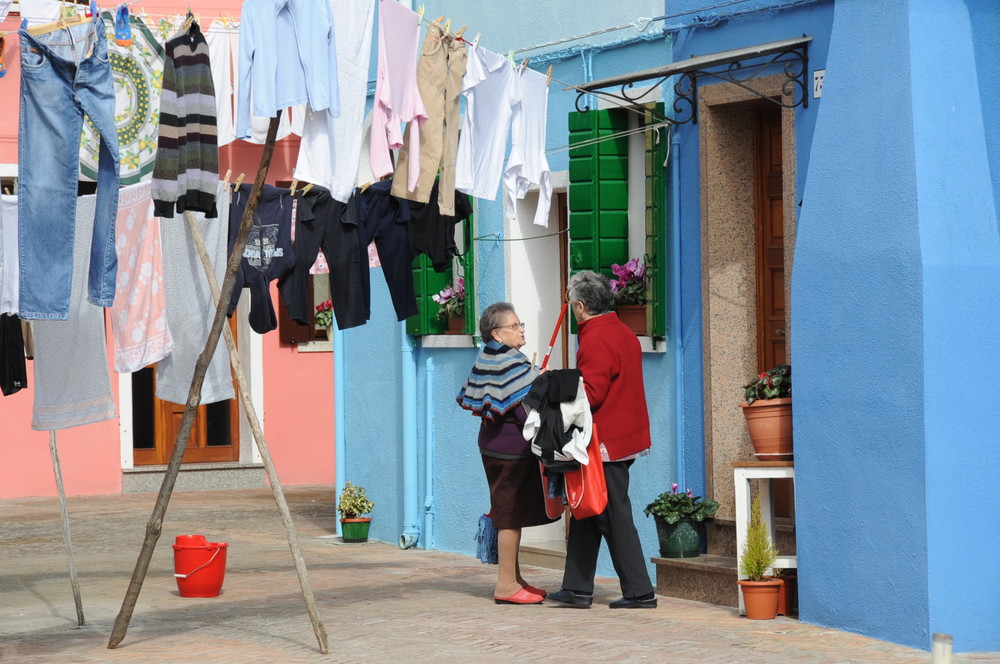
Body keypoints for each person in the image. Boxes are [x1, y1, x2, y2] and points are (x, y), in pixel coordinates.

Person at [548, 270, 657, 609]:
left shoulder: (594, 336)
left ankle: (640, 592)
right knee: (587, 509)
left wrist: (552, 390)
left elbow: (591, 394)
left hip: (606, 440)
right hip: (623, 434)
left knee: (612, 514)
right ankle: (577, 586)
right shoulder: (621, 330)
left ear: (580, 306)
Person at [457, 302, 554, 604]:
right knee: (509, 517)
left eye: (521, 323)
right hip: (510, 451)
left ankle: (515, 578)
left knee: (513, 515)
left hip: (495, 446)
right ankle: (506, 586)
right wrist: (541, 383)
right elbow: (526, 410)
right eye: (514, 326)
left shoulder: (489, 356)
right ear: (497, 333)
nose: (521, 329)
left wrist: (536, 377)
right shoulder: (509, 361)